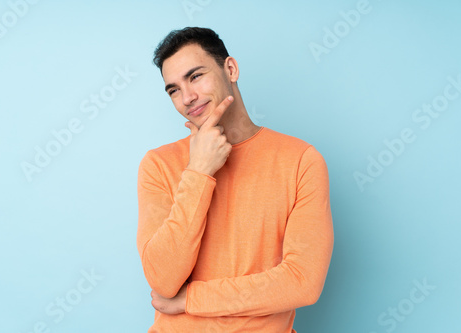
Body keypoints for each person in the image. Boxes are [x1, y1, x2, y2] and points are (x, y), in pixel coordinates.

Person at [137, 26, 334, 332]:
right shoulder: (159, 164)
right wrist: (199, 171)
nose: (187, 97)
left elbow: (302, 282)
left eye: (195, 76)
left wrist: (192, 299)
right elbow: (163, 280)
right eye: (173, 89)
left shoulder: (300, 160)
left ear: (230, 69)